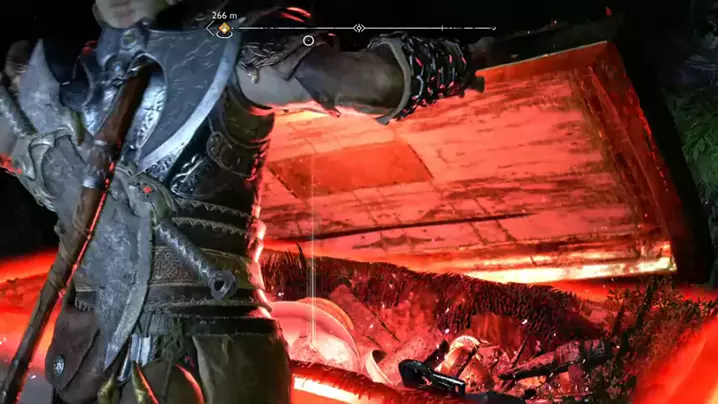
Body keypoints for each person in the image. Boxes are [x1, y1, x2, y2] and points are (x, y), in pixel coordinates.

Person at [1, 0, 486, 402]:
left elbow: (373, 83)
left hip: (211, 359)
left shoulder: (231, 47)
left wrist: (450, 61)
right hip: (90, 358)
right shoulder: (47, 89)